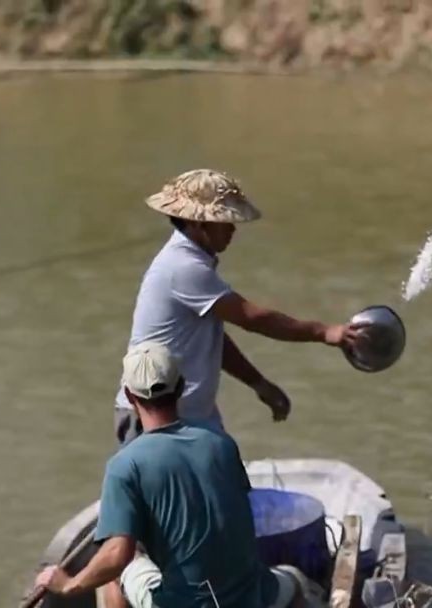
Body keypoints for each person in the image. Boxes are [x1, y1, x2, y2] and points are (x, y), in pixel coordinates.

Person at [37, 341, 310, 608]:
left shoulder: (125, 466)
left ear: (130, 396)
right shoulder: (221, 442)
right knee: (295, 579)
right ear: (180, 387)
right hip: (251, 596)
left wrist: (68, 584)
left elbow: (116, 555)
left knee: (119, 569)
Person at [114, 169, 364, 444]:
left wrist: (258, 383)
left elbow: (211, 339)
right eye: (223, 221)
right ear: (198, 223)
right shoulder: (183, 267)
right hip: (153, 418)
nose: (233, 228)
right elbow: (253, 318)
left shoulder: (195, 262)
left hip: (191, 416)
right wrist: (325, 332)